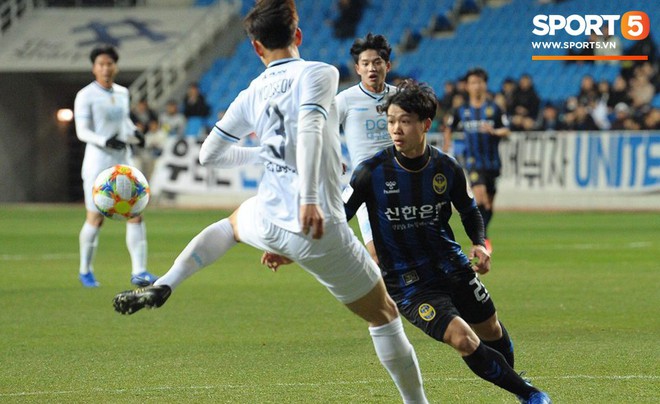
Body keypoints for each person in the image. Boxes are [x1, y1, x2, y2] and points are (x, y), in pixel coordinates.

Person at [112, 2, 428, 402]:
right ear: (298, 36)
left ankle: (164, 284)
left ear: (256, 48)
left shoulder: (251, 92)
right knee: (383, 315)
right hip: (317, 225)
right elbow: (312, 124)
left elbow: (210, 155)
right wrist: (310, 198)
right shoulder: (320, 72)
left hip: (269, 219)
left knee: (229, 226)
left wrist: (265, 156)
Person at [264, 80, 551, 404]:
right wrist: (292, 248)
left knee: (491, 330)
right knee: (464, 339)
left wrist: (480, 245)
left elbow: (470, 211)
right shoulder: (371, 172)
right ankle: (531, 395)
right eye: (391, 121)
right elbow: (337, 215)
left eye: (404, 121)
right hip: (409, 283)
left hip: (453, 267)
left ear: (425, 124)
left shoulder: (445, 167)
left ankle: (514, 384)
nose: (396, 129)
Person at [74, 44, 157, 288]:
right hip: (98, 161)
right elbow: (82, 131)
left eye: (109, 63)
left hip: (123, 162)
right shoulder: (85, 95)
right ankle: (85, 270)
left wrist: (136, 133)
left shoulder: (121, 92)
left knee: (136, 213)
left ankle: (140, 272)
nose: (105, 68)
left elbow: (124, 122)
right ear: (94, 68)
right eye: (101, 64)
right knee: (95, 218)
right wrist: (103, 140)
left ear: (116, 67)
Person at [336, 33, 396, 263]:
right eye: (366, 63)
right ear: (357, 68)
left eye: (377, 62)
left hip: (401, 184)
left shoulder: (399, 98)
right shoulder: (345, 100)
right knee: (378, 255)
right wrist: (333, 154)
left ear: (387, 66)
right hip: (365, 187)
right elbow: (323, 127)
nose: (372, 68)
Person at [443, 67, 510, 253]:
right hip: (472, 160)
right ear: (467, 86)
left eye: (480, 82)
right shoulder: (461, 109)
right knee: (479, 196)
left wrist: (495, 131)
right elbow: (448, 126)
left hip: (492, 161)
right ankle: (482, 238)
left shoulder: (494, 108)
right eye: (473, 82)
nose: (477, 86)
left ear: (485, 85)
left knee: (488, 203)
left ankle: (484, 234)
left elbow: (507, 129)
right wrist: (447, 146)